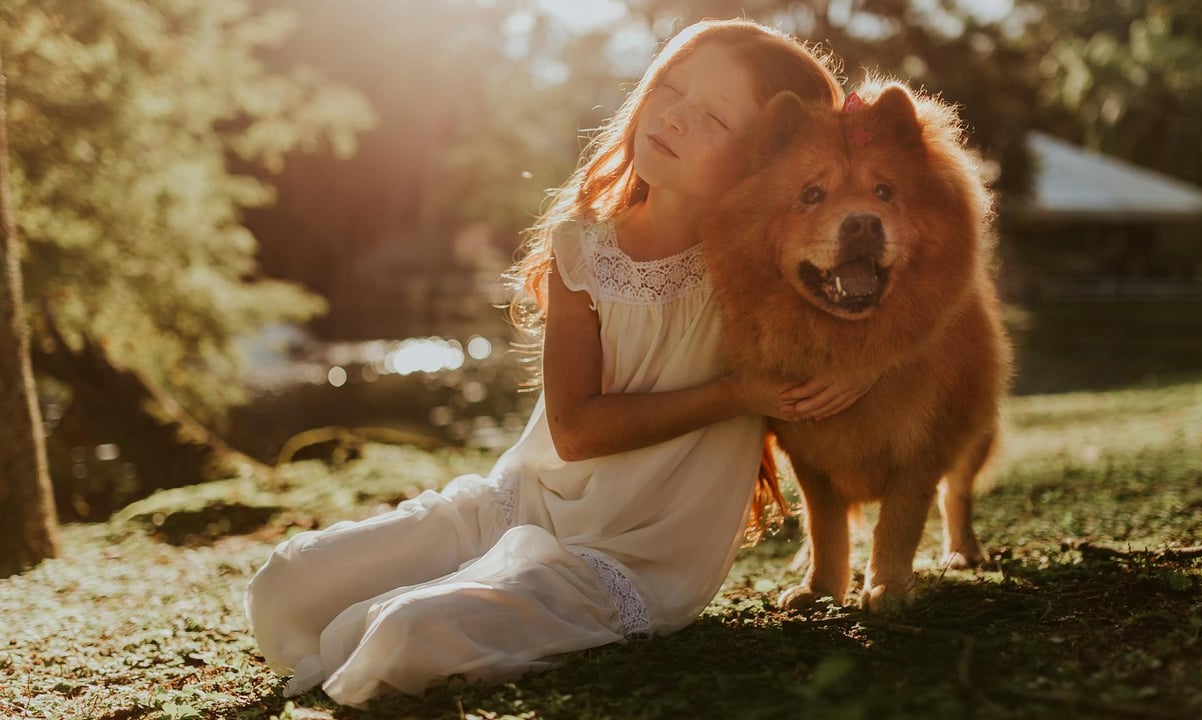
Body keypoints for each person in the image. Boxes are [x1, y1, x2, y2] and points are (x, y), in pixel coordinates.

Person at [244, 18, 860, 708]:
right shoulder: (583, 248)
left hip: (635, 556)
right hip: (524, 502)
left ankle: (432, 609)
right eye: (672, 88)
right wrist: (738, 394)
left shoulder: (768, 271)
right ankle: (435, 589)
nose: (677, 118)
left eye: (714, 117)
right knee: (286, 585)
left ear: (766, 159)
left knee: (405, 634)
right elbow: (575, 431)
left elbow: (880, 326)